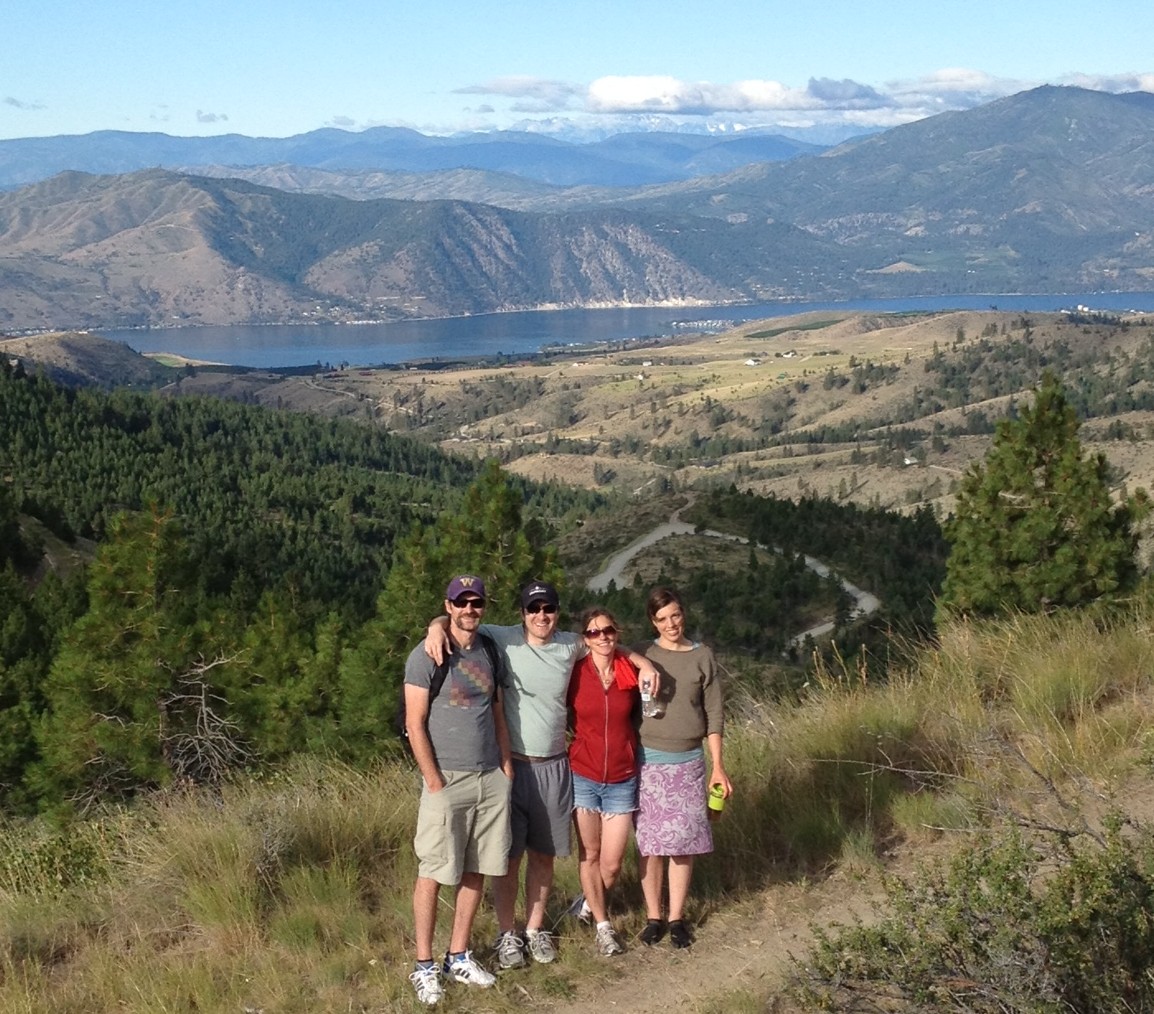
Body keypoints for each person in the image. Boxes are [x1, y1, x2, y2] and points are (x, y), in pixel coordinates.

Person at [426, 579, 659, 971]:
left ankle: (534, 930)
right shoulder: (504, 638)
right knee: (507, 857)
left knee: (544, 857)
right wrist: (435, 626)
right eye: (533, 609)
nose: (541, 616)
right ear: (522, 614)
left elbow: (607, 643)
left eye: (548, 609)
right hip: (510, 765)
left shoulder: (571, 643)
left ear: (556, 613)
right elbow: (462, 621)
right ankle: (507, 934)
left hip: (554, 765)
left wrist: (644, 661)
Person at [405, 575, 513, 1007]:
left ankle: (459, 954)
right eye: (461, 602)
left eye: (477, 601)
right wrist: (433, 781)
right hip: (446, 779)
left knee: (477, 868)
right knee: (432, 872)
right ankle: (424, 965)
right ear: (448, 606)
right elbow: (414, 723)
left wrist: (506, 767)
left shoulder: (488, 647)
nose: (470, 608)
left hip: (490, 776)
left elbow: (499, 711)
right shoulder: (427, 654)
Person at [634, 586, 732, 949]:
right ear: (652, 622)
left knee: (682, 844)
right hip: (647, 761)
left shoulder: (702, 656)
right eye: (662, 618)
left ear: (683, 613)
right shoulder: (643, 652)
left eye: (675, 615)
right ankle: (652, 917)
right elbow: (610, 649)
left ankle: (676, 917)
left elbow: (714, 714)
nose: (671, 623)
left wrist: (718, 766)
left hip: (689, 761)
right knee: (650, 845)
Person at [565, 606, 641, 957]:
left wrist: (649, 664)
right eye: (594, 633)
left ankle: (585, 906)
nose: (603, 637)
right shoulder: (575, 674)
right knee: (590, 854)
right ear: (585, 639)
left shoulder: (629, 669)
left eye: (608, 630)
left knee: (611, 864)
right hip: (584, 774)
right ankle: (603, 926)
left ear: (617, 632)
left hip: (622, 778)